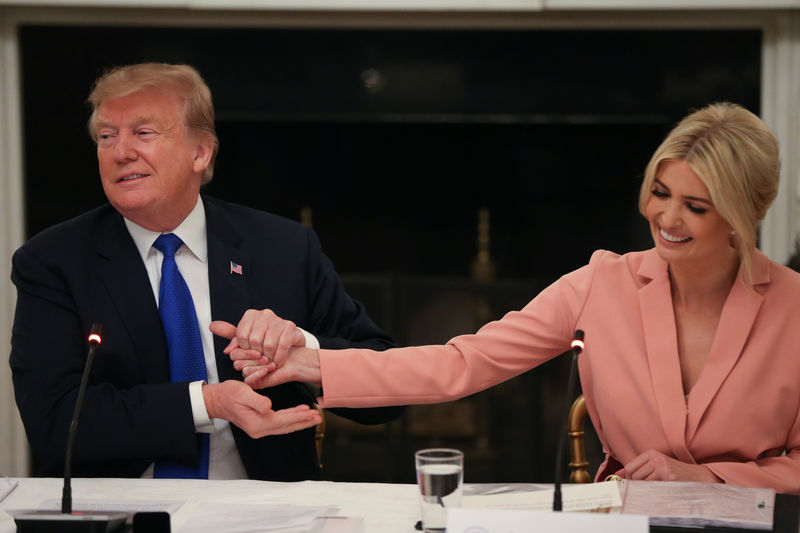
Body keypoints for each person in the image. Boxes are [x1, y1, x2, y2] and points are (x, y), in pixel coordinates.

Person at [222, 102, 800, 494]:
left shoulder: (793, 308)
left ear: (742, 216)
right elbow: (461, 364)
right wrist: (313, 361)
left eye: (695, 207)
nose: (667, 218)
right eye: (659, 192)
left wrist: (712, 479)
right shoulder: (602, 283)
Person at [10, 62, 402, 481]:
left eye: (143, 133)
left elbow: (389, 395)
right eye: (107, 136)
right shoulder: (55, 260)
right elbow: (54, 421)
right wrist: (207, 403)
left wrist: (303, 348)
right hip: (122, 509)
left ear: (201, 153)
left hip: (266, 508)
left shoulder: (283, 248)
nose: (120, 152)